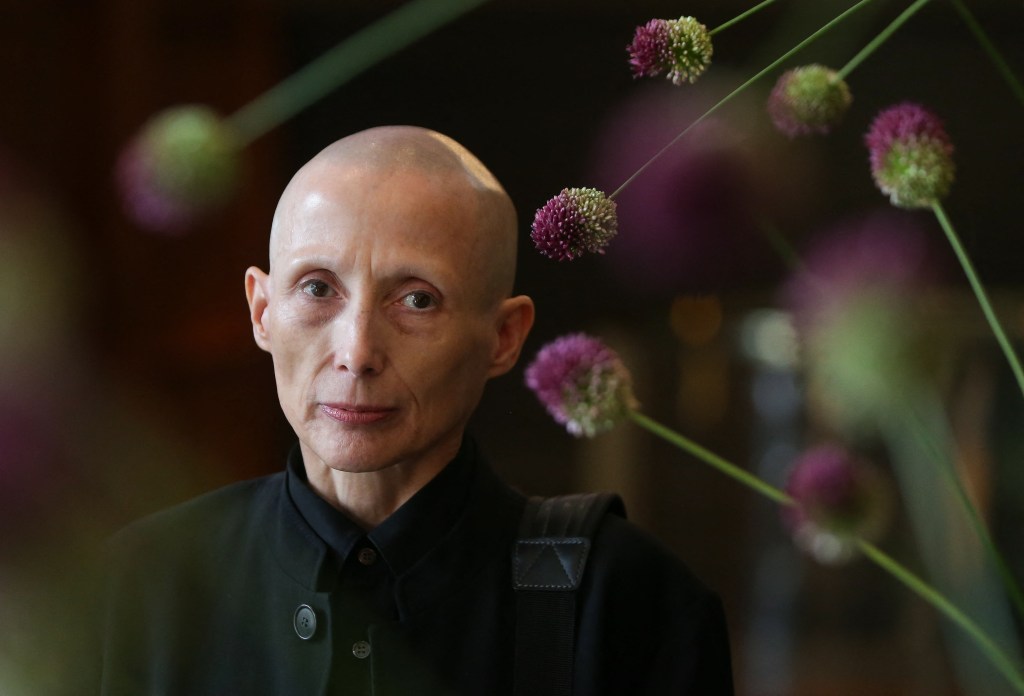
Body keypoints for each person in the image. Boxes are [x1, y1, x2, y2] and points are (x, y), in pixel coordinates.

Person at [98, 126, 734, 694]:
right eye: (317, 288)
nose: (357, 353)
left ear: (504, 337)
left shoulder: (628, 603)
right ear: (262, 312)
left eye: (417, 300)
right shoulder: (142, 585)